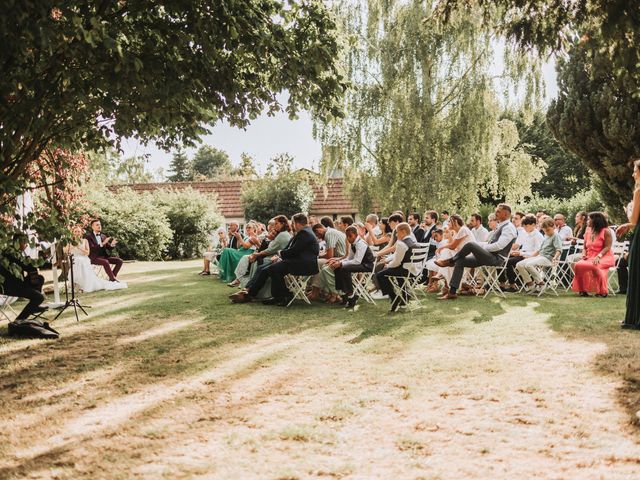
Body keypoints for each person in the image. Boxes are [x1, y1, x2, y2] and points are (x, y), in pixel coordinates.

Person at [232, 213, 319, 306]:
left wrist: (280, 253)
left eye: (293, 223)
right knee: (267, 269)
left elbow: (294, 250)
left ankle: (283, 295)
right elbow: (293, 249)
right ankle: (269, 295)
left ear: (297, 223)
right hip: (298, 262)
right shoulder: (305, 232)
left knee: (272, 269)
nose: (293, 226)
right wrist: (280, 256)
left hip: (303, 264)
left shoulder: (304, 233)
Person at [435, 204, 517, 300]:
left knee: (471, 245)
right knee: (460, 261)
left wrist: (482, 247)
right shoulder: (501, 225)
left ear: (505, 214)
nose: (495, 213)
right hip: (489, 256)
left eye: (498, 211)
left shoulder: (509, 227)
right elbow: (491, 243)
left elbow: (499, 245)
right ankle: (452, 293)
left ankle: (450, 261)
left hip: (497, 258)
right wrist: (481, 245)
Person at [67, 226, 128, 292]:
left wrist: (112, 244)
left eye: (100, 225)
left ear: (81, 232)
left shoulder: (103, 236)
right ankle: (112, 279)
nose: (99, 226)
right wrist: (102, 243)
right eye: (97, 225)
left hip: (103, 257)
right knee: (105, 262)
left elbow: (108, 247)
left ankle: (112, 278)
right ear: (93, 226)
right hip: (94, 258)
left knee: (119, 261)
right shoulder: (89, 237)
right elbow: (92, 249)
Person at [376, 223, 420, 312]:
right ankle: (405, 297)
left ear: (403, 232)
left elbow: (396, 262)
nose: (396, 235)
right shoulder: (411, 241)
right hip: (414, 269)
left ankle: (394, 297)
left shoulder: (401, 243)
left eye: (397, 232)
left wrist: (387, 265)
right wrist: (387, 259)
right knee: (395, 272)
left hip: (406, 270)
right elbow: (398, 255)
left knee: (380, 275)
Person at [0, 242, 48, 321]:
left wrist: (42, 262)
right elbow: (7, 272)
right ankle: (19, 320)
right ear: (17, 242)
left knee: (39, 278)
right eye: (24, 243)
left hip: (18, 283)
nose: (26, 245)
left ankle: (34, 306)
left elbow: (27, 267)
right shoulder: (8, 253)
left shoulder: (18, 254)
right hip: (9, 286)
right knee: (39, 297)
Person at [618, 159, 640, 328]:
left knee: (636, 273)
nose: (633, 174)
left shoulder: (638, 190)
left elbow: (633, 220)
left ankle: (634, 318)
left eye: (635, 170)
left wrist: (627, 219)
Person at [331, 225, 375, 309]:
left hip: (367, 265)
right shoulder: (353, 244)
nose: (348, 238)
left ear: (355, 234)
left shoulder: (361, 243)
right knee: (338, 268)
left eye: (350, 236)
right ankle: (344, 295)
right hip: (360, 264)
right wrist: (339, 262)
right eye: (347, 236)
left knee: (344, 268)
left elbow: (357, 261)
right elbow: (349, 258)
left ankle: (351, 296)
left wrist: (341, 264)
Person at [572, 212, 615, 297]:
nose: (587, 221)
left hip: (604, 256)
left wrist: (599, 256)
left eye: (589, 219)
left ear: (595, 221)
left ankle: (602, 291)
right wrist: (584, 253)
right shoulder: (588, 230)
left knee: (595, 266)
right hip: (589, 256)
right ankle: (583, 290)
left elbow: (607, 247)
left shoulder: (606, 231)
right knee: (578, 265)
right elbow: (584, 246)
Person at [515, 218, 562, 293]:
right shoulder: (546, 236)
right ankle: (530, 284)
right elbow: (539, 250)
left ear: (553, 227)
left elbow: (559, 249)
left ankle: (541, 283)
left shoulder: (556, 236)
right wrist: (531, 257)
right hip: (540, 256)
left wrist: (555, 258)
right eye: (544, 231)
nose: (546, 232)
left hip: (548, 258)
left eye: (548, 230)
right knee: (519, 264)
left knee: (528, 265)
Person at [500, 215, 543, 292]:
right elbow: (524, 249)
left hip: (532, 257)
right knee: (503, 258)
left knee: (508, 262)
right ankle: (504, 283)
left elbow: (537, 252)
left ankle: (513, 285)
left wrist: (520, 253)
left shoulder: (537, 236)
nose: (524, 228)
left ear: (533, 225)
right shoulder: (527, 234)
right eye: (524, 226)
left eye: (526, 226)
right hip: (524, 255)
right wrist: (518, 252)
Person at [432, 215, 472, 296]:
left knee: (447, 251)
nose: (448, 223)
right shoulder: (458, 232)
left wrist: (441, 248)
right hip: (460, 256)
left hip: (470, 256)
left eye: (450, 221)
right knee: (448, 254)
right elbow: (453, 246)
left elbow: (453, 246)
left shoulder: (463, 229)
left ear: (455, 222)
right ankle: (445, 284)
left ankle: (442, 277)